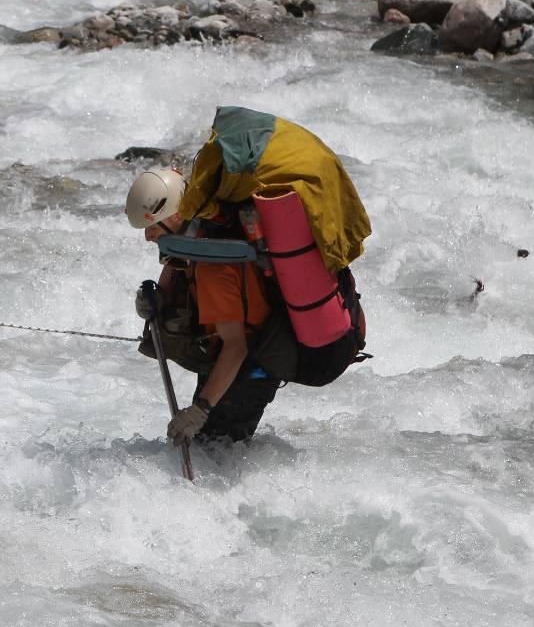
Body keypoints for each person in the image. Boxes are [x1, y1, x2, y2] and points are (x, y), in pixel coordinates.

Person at [125, 106, 372, 447]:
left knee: (213, 461)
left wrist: (199, 409)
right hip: (251, 358)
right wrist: (156, 300)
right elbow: (177, 280)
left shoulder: (214, 265)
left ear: (173, 215)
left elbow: (235, 348)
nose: (148, 236)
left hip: (249, 369)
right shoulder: (206, 234)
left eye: (151, 226)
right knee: (215, 458)